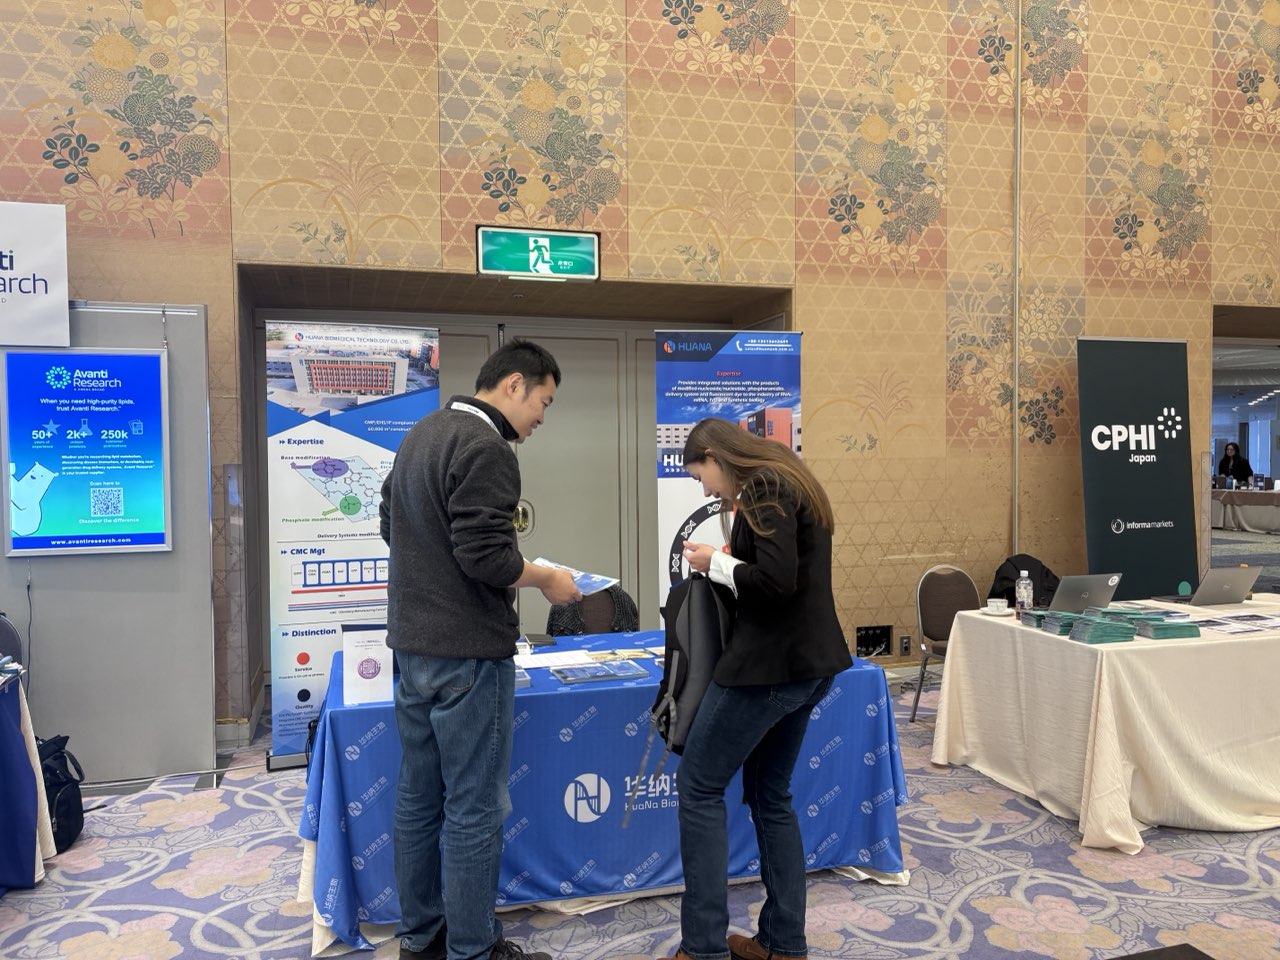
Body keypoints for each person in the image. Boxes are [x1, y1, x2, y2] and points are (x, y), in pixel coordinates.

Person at [380, 339, 581, 960]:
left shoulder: (422, 432)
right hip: (468, 653)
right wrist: (547, 578)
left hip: (413, 647)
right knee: (474, 807)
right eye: (544, 402)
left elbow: (390, 523)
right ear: (514, 384)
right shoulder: (487, 447)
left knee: (418, 797)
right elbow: (486, 556)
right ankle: (471, 948)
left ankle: (421, 938)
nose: (542, 418)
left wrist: (434, 571)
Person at [672, 418, 853, 960]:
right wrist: (736, 559)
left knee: (698, 787)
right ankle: (782, 943)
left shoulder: (765, 486)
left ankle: (702, 948)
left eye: (700, 475)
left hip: (767, 669)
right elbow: (786, 572)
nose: (704, 490)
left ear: (714, 455)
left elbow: (775, 583)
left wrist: (717, 562)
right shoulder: (786, 476)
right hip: (808, 667)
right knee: (771, 796)